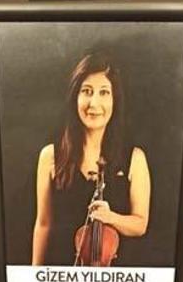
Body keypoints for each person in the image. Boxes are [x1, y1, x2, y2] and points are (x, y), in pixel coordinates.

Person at [31, 52, 151, 266]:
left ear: (114, 100)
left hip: (114, 277)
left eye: (104, 92)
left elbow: (140, 224)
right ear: (75, 97)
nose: (94, 103)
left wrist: (110, 217)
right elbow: (43, 224)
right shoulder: (50, 156)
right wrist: (35, 277)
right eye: (86, 91)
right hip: (61, 274)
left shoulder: (135, 159)